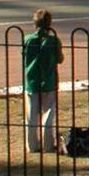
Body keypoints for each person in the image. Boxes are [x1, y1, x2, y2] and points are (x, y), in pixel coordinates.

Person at [21, 9, 64, 153]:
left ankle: (32, 145)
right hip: (49, 80)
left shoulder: (27, 39)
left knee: (31, 115)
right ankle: (48, 145)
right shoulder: (53, 40)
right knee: (48, 113)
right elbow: (59, 59)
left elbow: (24, 58)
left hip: (31, 80)